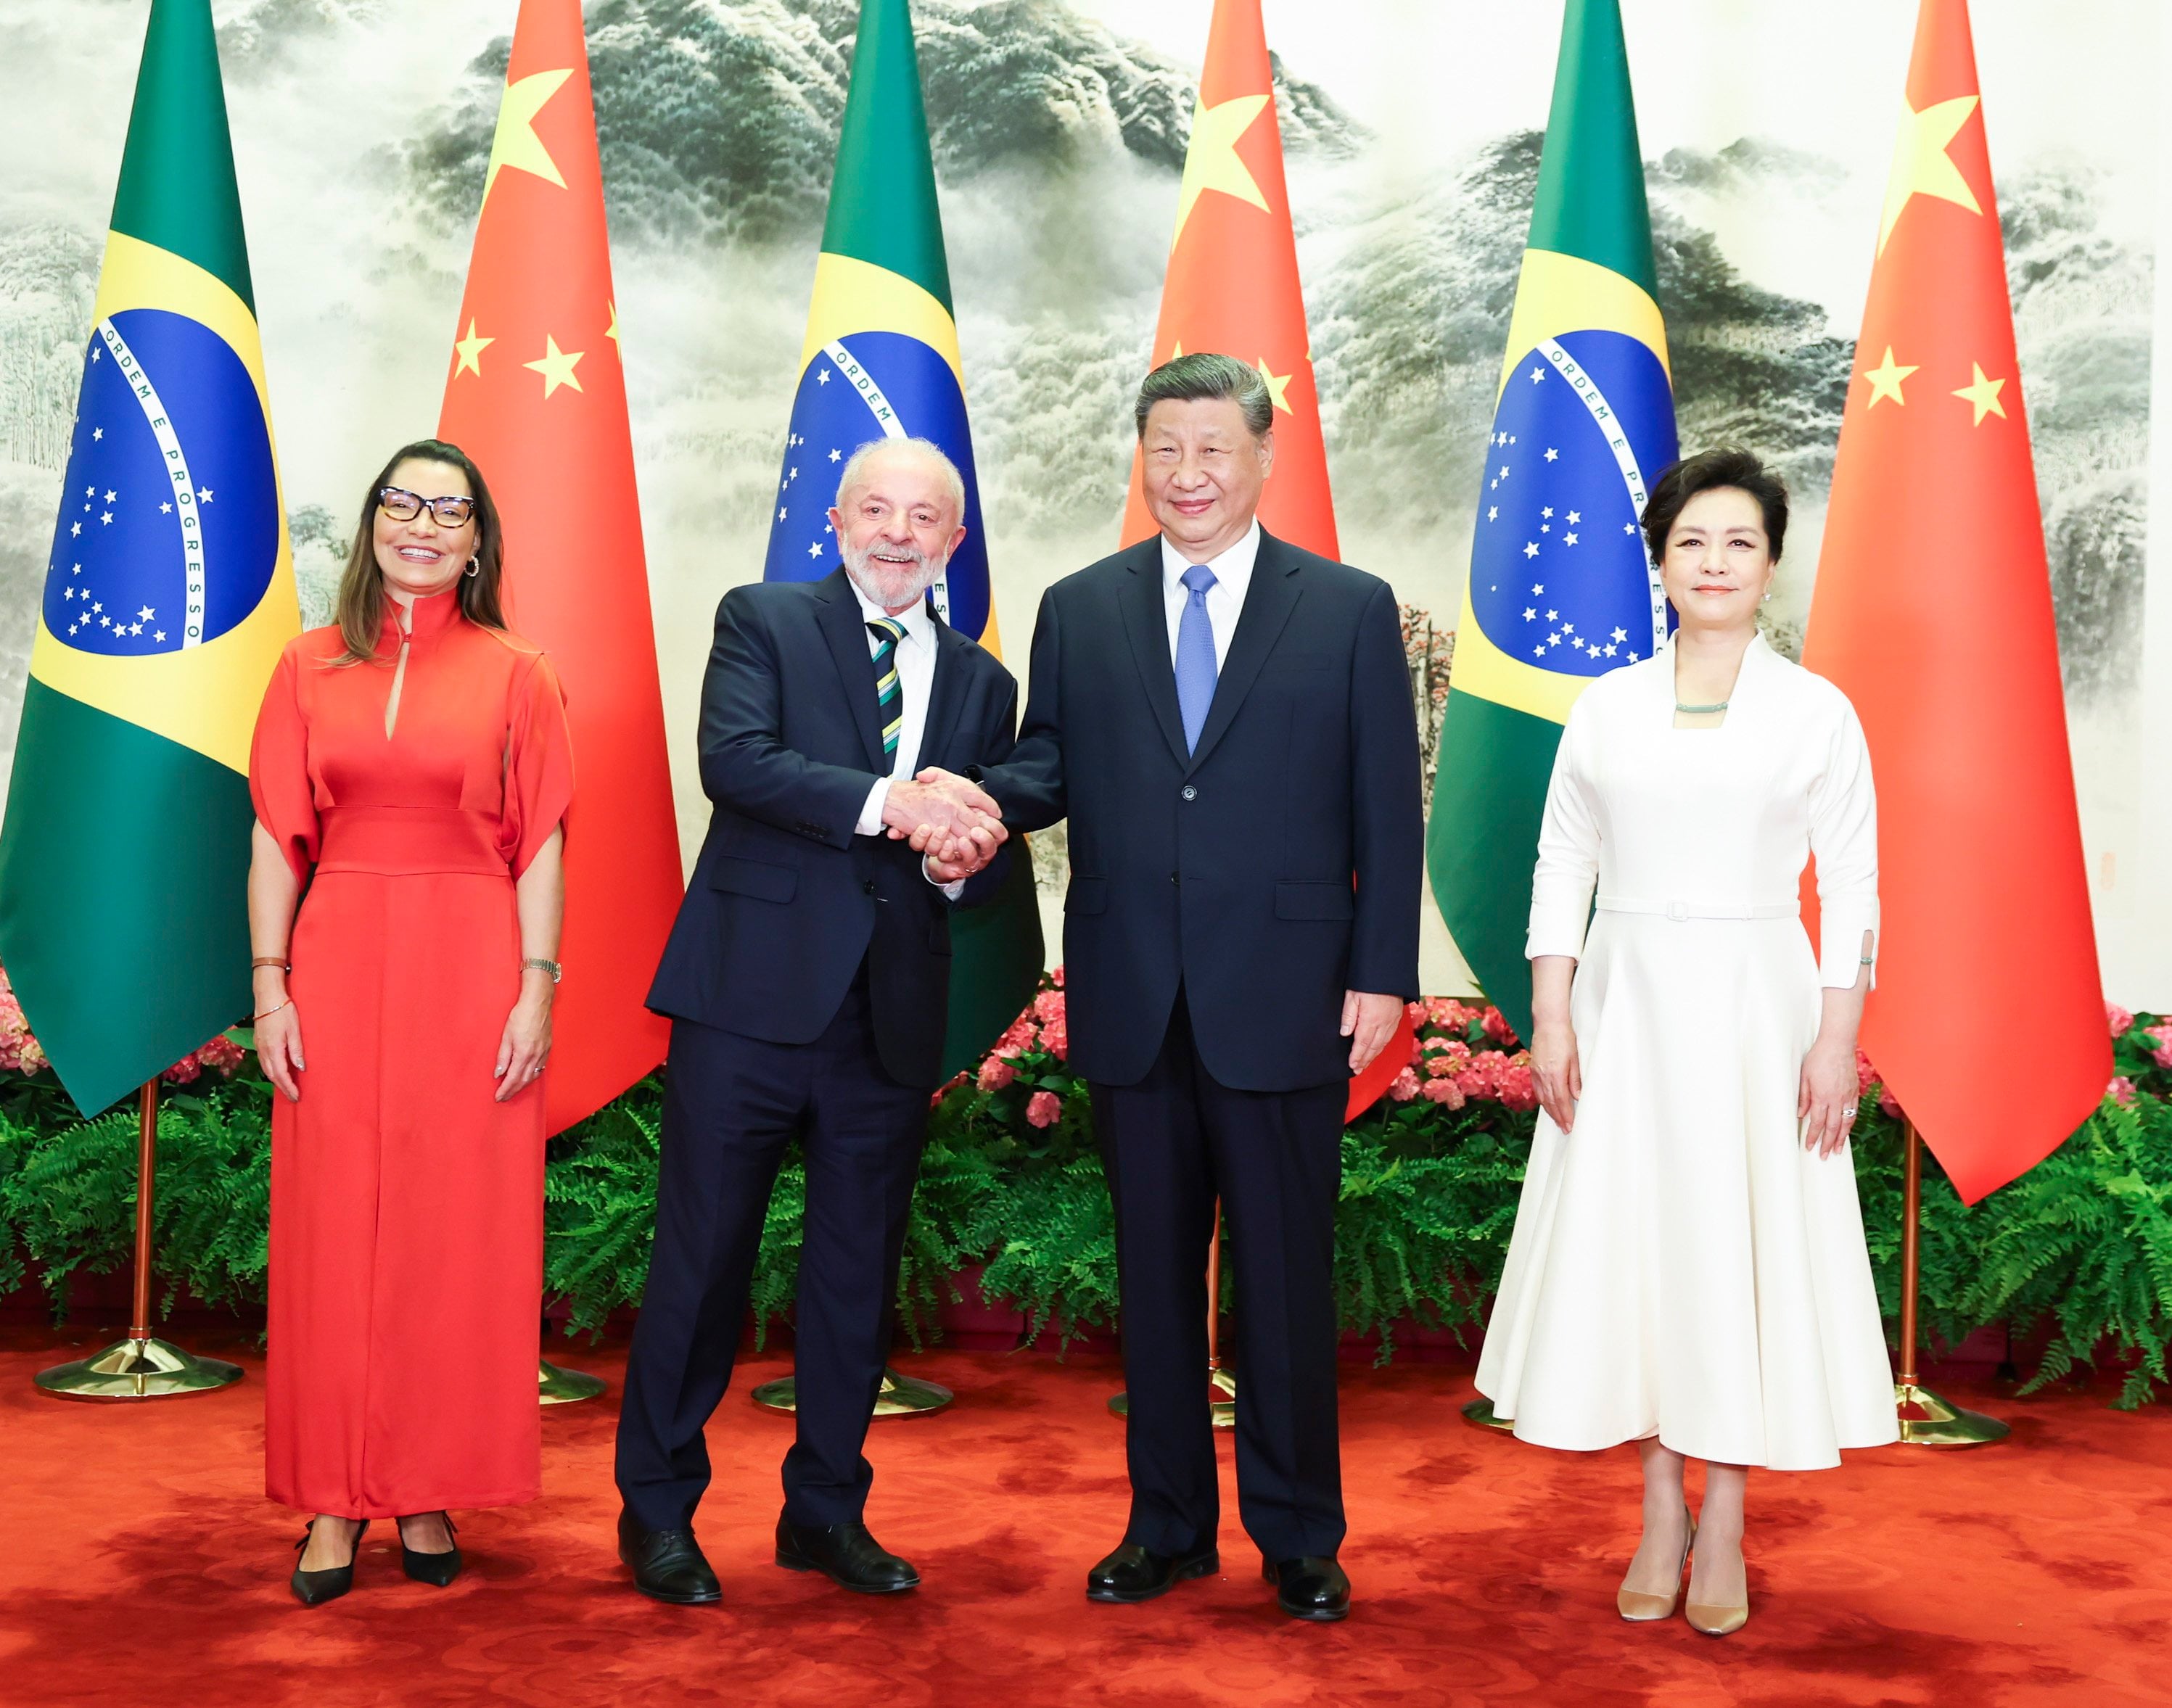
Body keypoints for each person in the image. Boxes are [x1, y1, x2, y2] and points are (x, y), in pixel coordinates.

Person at [932, 352, 1423, 1622]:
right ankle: (1164, 1528)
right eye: (1165, 449)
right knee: (1153, 1280)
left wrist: (1382, 972)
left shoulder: (1348, 606)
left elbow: (1387, 799)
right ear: (1139, 458)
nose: (1187, 475)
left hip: (1292, 991)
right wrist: (966, 805)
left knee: (1283, 1280)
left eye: (1212, 449)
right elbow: (1048, 761)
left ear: (1261, 458)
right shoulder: (1081, 605)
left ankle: (1299, 1535)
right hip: (1134, 991)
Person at [1473, 447, 1896, 1637]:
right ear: (1658, 561)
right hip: (1624, 1010)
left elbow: (1852, 888)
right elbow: (1564, 862)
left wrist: (1834, 1039)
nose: (1713, 564)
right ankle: (1660, 1506)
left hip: (1761, 1014)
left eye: (1739, 544)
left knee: (1733, 1253)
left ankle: (1725, 1521)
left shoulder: (1816, 711)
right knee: (1646, 1256)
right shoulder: (1605, 706)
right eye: (1691, 543)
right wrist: (1553, 1013)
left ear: (1769, 565)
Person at [613, 437, 1016, 1605]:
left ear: (954, 540)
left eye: (924, 517)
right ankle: (657, 1516)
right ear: (836, 519)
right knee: (699, 1265)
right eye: (876, 509)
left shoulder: (985, 686)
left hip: (885, 1020)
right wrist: (899, 804)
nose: (897, 533)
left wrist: (960, 853)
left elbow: (981, 865)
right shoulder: (765, 620)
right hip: (747, 1002)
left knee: (854, 1276)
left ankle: (825, 1514)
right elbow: (735, 763)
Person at [248, 438, 573, 1606]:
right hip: (334, 963)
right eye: (402, 504)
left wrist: (536, 985)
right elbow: (274, 833)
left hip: (471, 965)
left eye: (449, 510)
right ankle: (335, 1500)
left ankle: (426, 1485)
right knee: (336, 1235)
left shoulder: (518, 671)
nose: (422, 525)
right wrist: (269, 983)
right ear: (373, 523)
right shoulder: (304, 667)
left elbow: (540, 843)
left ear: (479, 539)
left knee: (448, 1239)